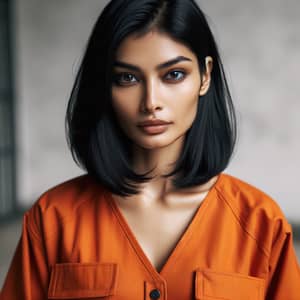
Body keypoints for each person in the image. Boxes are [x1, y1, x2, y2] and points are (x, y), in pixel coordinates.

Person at [1, 0, 300, 299]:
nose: (151, 102)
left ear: (205, 76)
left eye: (173, 75)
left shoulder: (260, 222)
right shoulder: (53, 219)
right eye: (127, 78)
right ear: (105, 86)